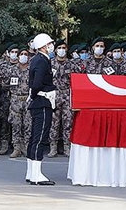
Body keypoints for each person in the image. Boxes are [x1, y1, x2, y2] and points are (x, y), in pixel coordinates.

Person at [26, 33, 56, 185]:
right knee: (39, 138)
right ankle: (36, 175)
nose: (52, 46)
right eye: (50, 43)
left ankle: (31, 172)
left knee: (34, 137)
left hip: (38, 101)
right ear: (43, 46)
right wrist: (35, 93)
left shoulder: (37, 59)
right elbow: (37, 83)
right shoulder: (42, 61)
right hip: (42, 102)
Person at [49, 40, 79, 157]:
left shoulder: (72, 64)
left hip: (67, 95)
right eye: (59, 48)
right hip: (54, 95)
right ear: (55, 50)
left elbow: (77, 80)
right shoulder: (50, 64)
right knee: (53, 122)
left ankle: (67, 146)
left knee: (68, 122)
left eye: (64, 48)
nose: (62, 50)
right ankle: (53, 147)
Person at [5, 45, 31, 159]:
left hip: (28, 99)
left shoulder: (32, 70)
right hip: (15, 99)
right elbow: (5, 83)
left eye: (26, 55)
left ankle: (26, 146)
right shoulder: (12, 69)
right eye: (21, 54)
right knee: (16, 125)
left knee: (28, 125)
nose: (23, 57)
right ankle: (16, 147)